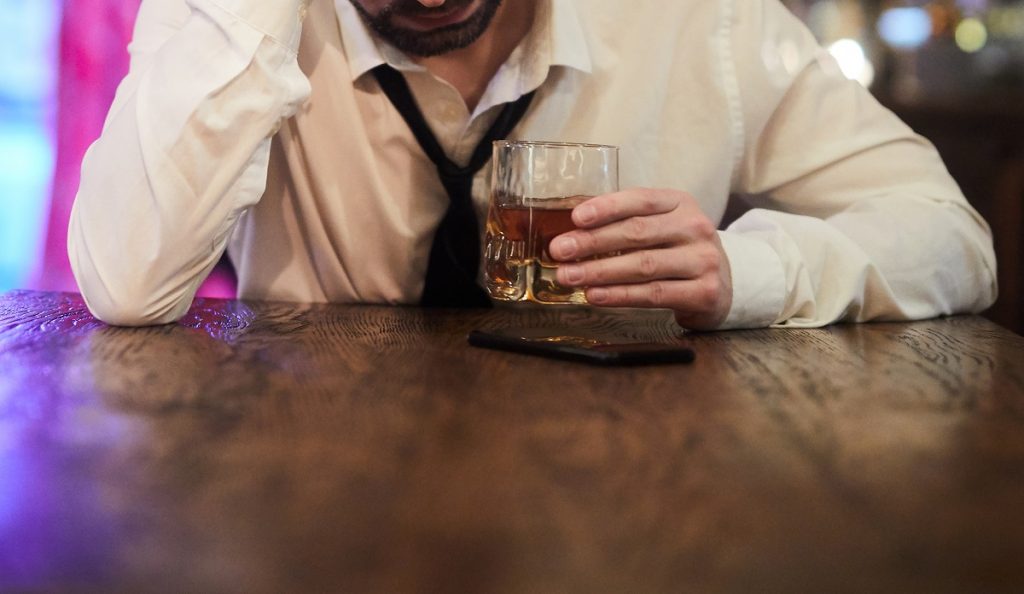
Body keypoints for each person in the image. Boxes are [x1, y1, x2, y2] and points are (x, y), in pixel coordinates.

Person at [68, 0, 997, 330]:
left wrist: (747, 273)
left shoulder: (703, 21)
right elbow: (125, 283)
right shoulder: (234, 17)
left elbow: (951, 237)